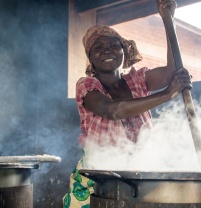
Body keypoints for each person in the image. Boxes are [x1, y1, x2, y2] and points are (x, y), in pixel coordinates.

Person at [63, 0, 192, 207]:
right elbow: (112, 110)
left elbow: (171, 72)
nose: (108, 51)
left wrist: (168, 20)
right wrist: (167, 95)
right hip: (99, 175)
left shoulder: (137, 80)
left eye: (114, 45)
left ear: (124, 51)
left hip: (139, 169)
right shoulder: (87, 85)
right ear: (90, 57)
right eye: (99, 47)